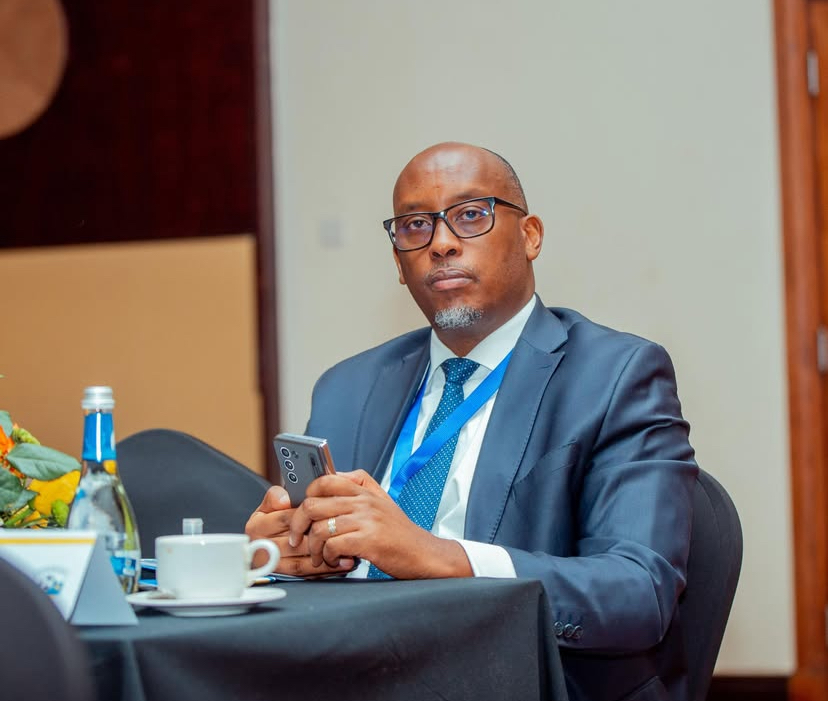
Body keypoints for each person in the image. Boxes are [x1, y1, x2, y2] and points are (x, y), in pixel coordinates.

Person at [246, 142, 698, 701]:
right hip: (359, 674)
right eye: (415, 225)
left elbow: (638, 591)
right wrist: (280, 560)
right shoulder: (348, 386)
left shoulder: (614, 375)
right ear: (398, 262)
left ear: (530, 236)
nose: (440, 243)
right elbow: (321, 563)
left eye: (469, 215)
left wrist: (435, 557)